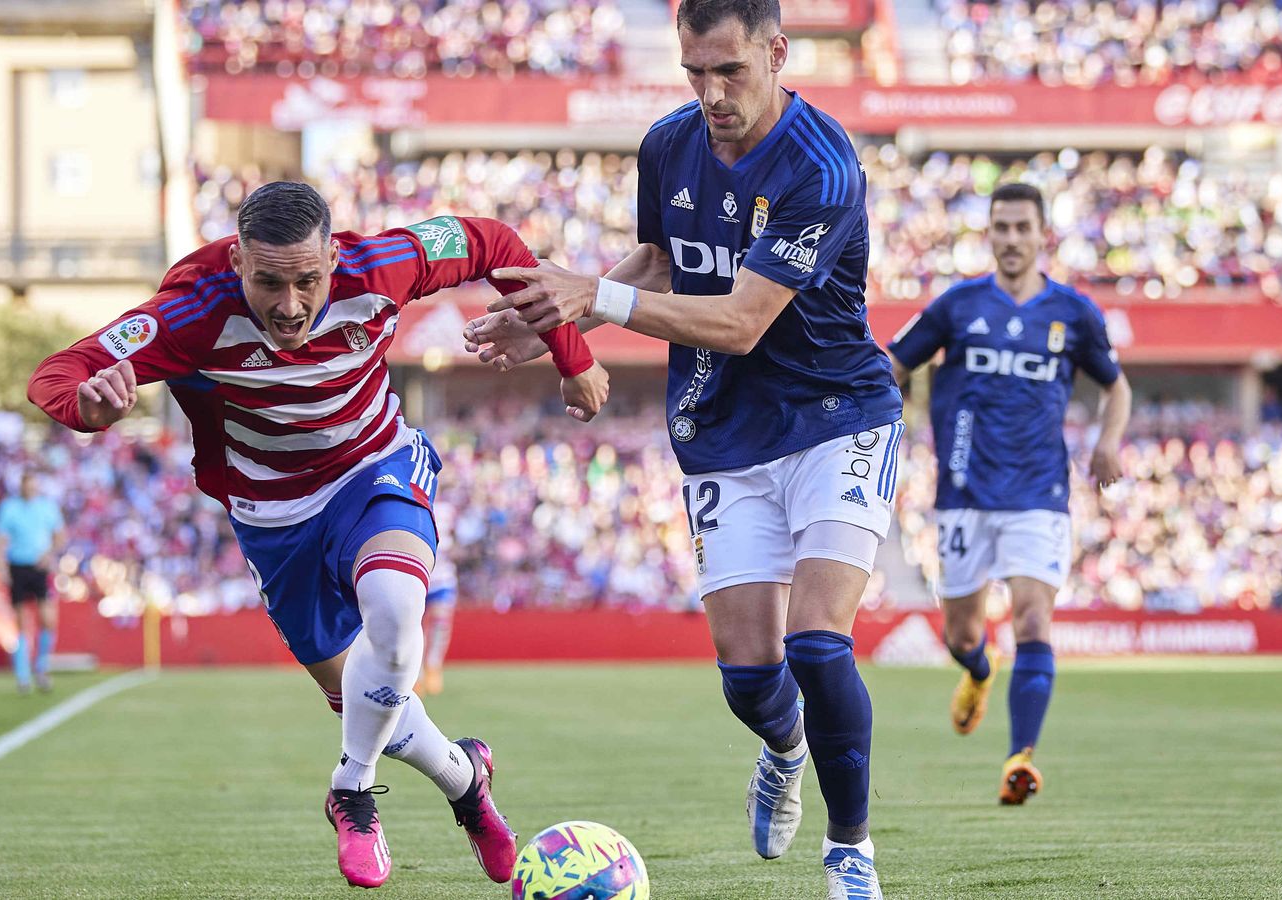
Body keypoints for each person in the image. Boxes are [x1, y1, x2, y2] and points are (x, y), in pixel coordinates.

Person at [27, 181, 607, 889]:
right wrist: (87, 406)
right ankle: (466, 782)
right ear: (237, 259)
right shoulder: (190, 315)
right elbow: (61, 371)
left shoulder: (385, 265)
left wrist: (572, 357)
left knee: (396, 613)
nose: (291, 304)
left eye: (308, 279)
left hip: (375, 468)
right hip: (275, 517)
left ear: (333, 255)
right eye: (268, 281)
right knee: (374, 705)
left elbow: (496, 245)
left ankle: (350, 792)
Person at [465, 2, 903, 895]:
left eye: (729, 72)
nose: (710, 94)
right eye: (694, 73)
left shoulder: (822, 164)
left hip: (835, 417)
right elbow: (662, 263)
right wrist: (553, 322)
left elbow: (741, 321)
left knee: (819, 644)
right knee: (751, 680)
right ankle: (784, 750)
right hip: (723, 432)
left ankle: (851, 850)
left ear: (777, 53)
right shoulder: (668, 145)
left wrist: (589, 298)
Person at [884, 182, 1132, 805]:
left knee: (1032, 619)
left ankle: (1020, 758)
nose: (1013, 238)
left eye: (1024, 227)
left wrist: (1108, 441)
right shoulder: (957, 306)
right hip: (964, 495)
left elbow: (1116, 386)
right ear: (989, 234)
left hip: (1039, 494)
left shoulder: (1073, 313)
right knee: (962, 635)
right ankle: (978, 672)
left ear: (1044, 234)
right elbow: (893, 365)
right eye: (1002, 227)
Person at [0, 473, 65, 694]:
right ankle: (23, 675)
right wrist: (1, 567)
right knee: (21, 621)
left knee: (48, 619)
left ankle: (41, 667)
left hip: (39, 567)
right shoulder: (10, 508)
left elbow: (60, 536)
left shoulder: (47, 508)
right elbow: (0, 541)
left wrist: (50, 555)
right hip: (18, 567)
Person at [416, 545, 457, 697]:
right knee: (415, 627)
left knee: (440, 624)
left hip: (442, 577)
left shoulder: (450, 520)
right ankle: (416, 674)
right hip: (417, 574)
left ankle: (433, 667)